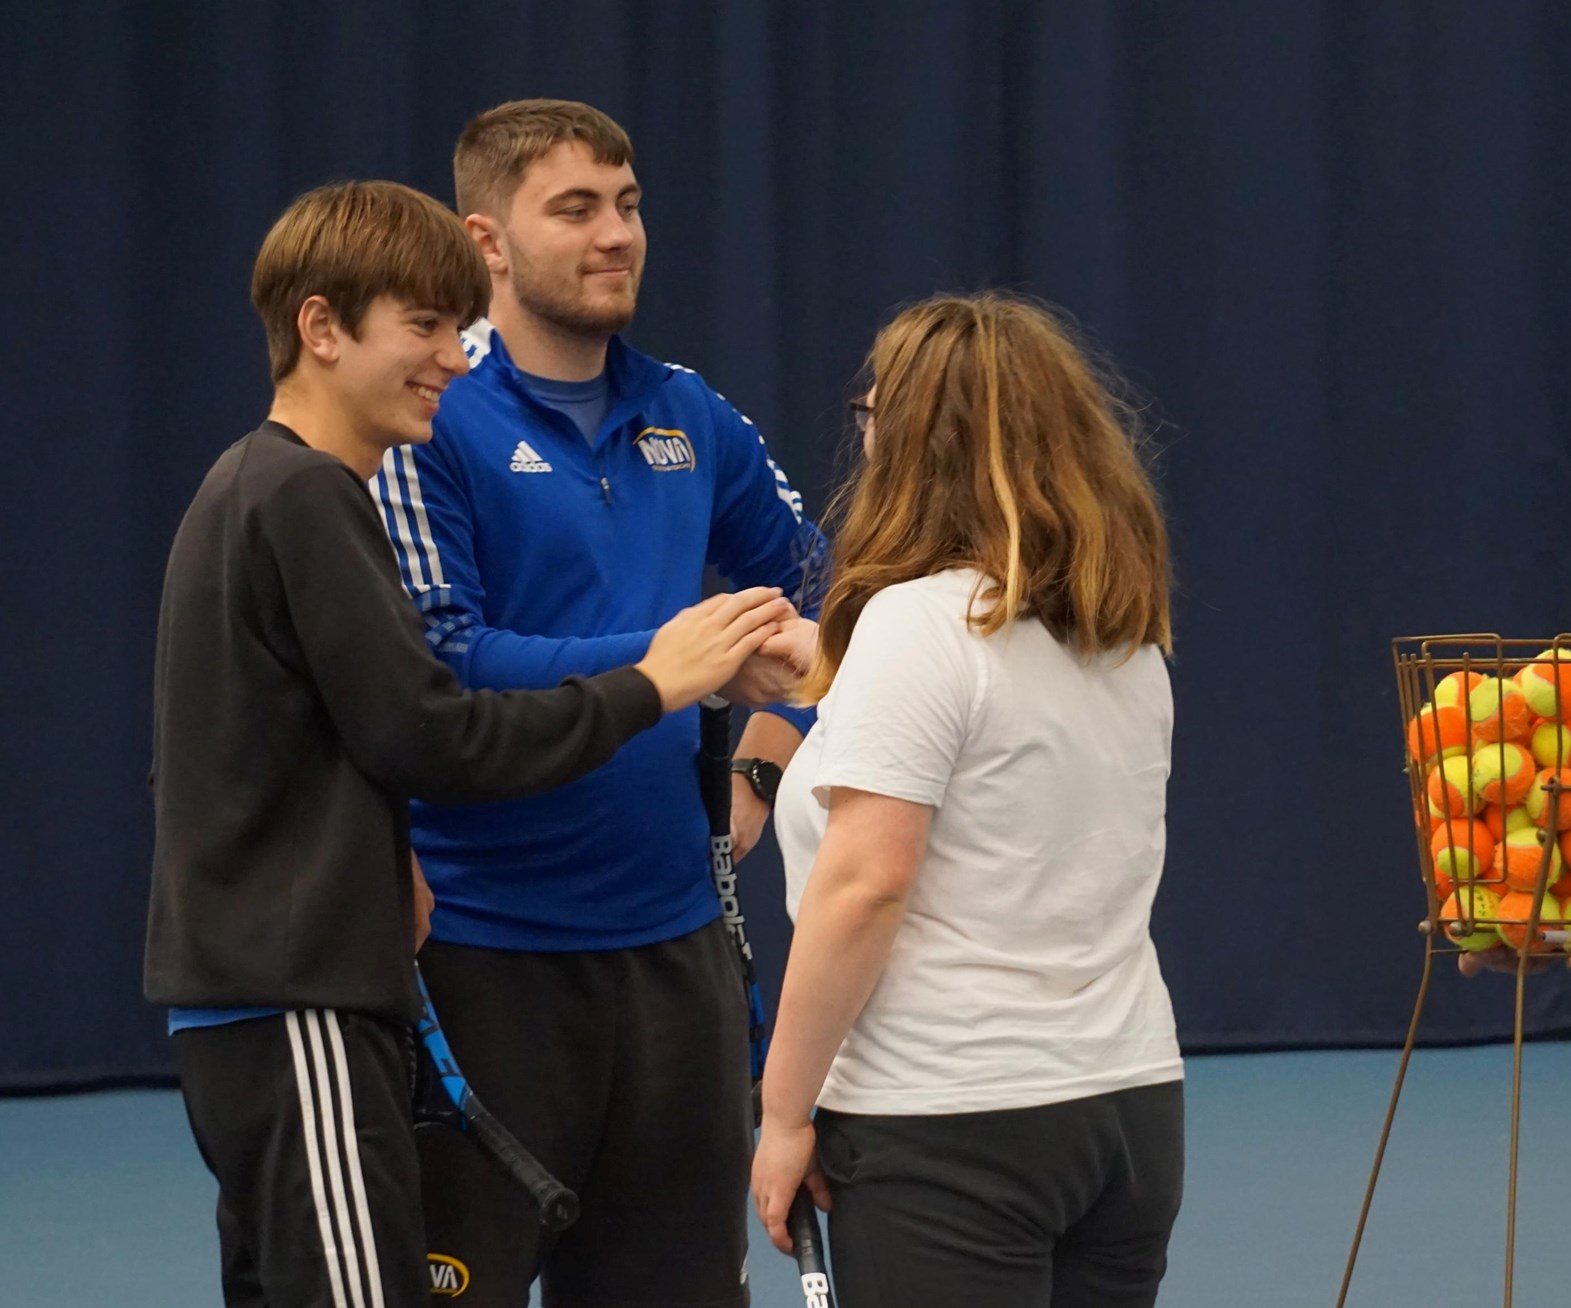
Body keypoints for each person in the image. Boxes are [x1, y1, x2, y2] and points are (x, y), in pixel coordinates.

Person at [145, 179, 792, 1308]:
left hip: (304, 992)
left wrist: (366, 842)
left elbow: (293, 744)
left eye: (456, 325)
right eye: (425, 327)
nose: (454, 355)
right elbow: (431, 732)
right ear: (320, 329)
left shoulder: (274, 490)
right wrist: (655, 682)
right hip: (298, 1003)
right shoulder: (301, 497)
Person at [366, 100, 824, 1307]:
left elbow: (839, 602)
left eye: (625, 205)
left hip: (679, 964)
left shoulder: (691, 412)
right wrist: (669, 666)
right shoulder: (425, 417)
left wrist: (762, 768)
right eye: (573, 208)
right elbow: (441, 664)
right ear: (487, 243)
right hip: (479, 959)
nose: (614, 234)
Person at [750, 293, 1186, 1308]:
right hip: (1127, 1114)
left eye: (871, 415)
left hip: (949, 1129)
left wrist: (782, 1114)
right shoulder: (1121, 634)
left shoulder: (912, 627)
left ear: (910, 444)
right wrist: (830, 664)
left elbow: (865, 886)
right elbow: (990, 729)